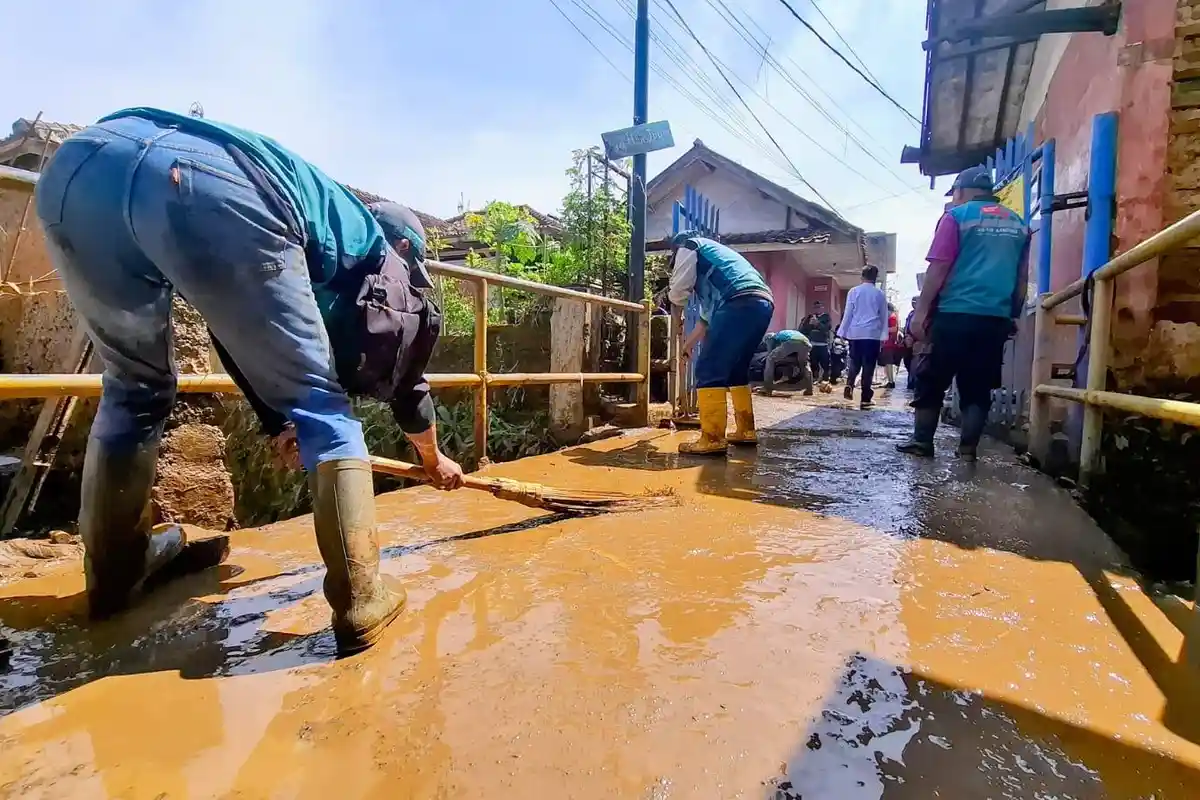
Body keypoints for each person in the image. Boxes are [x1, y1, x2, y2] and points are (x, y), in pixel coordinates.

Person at [34, 107, 465, 655]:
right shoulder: (381, 254)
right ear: (405, 248)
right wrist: (431, 457)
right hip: (202, 182)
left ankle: (116, 576)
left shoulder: (323, 227)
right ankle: (362, 599)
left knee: (134, 389)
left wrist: (275, 419)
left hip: (79, 171)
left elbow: (234, 330)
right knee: (324, 408)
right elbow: (405, 376)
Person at [897, 165, 1030, 462]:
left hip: (954, 313)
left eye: (954, 193)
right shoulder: (1019, 224)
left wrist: (920, 315)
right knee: (978, 386)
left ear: (961, 191)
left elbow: (938, 269)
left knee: (932, 379)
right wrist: (1013, 315)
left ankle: (922, 442)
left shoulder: (956, 217)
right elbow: (1022, 279)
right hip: (994, 318)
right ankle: (968, 449)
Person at [668, 230, 774, 455]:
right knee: (737, 370)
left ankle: (712, 438)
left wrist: (676, 310)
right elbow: (707, 318)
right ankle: (746, 430)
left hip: (739, 301)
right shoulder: (719, 262)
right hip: (761, 303)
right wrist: (687, 345)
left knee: (709, 368)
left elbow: (678, 291)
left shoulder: (690, 245)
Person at [836, 265, 889, 409]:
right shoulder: (879, 294)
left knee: (855, 362)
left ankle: (850, 384)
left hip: (856, 333)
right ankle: (865, 397)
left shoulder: (854, 292)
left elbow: (848, 314)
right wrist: (884, 337)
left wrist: (841, 333)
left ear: (862, 276)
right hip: (872, 335)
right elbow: (884, 317)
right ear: (875, 277)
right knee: (869, 366)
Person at [760, 329, 813, 396]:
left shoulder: (771, 337)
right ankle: (809, 389)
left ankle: (767, 388)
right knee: (804, 364)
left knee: (770, 359)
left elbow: (770, 352)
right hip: (806, 343)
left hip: (792, 341)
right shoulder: (785, 333)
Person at [800, 301, 833, 381]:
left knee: (825, 363)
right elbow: (804, 330)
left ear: (822, 308)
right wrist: (809, 324)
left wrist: (817, 323)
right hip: (812, 344)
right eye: (815, 307)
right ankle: (814, 378)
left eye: (819, 307)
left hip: (823, 344)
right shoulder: (809, 317)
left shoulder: (826, 317)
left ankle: (825, 380)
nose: (817, 309)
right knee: (813, 363)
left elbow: (826, 329)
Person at [881, 303, 902, 389]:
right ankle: (889, 381)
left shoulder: (892, 317)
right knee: (887, 363)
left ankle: (891, 382)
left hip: (889, 344)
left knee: (888, 363)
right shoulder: (892, 316)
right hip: (888, 343)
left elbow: (894, 328)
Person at [902, 296, 919, 390]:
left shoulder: (921, 314)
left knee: (915, 363)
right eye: (912, 302)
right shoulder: (911, 314)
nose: (913, 304)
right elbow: (907, 326)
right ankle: (911, 381)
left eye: (915, 302)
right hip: (908, 341)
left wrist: (914, 338)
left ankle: (913, 383)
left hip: (916, 341)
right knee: (907, 361)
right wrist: (906, 336)